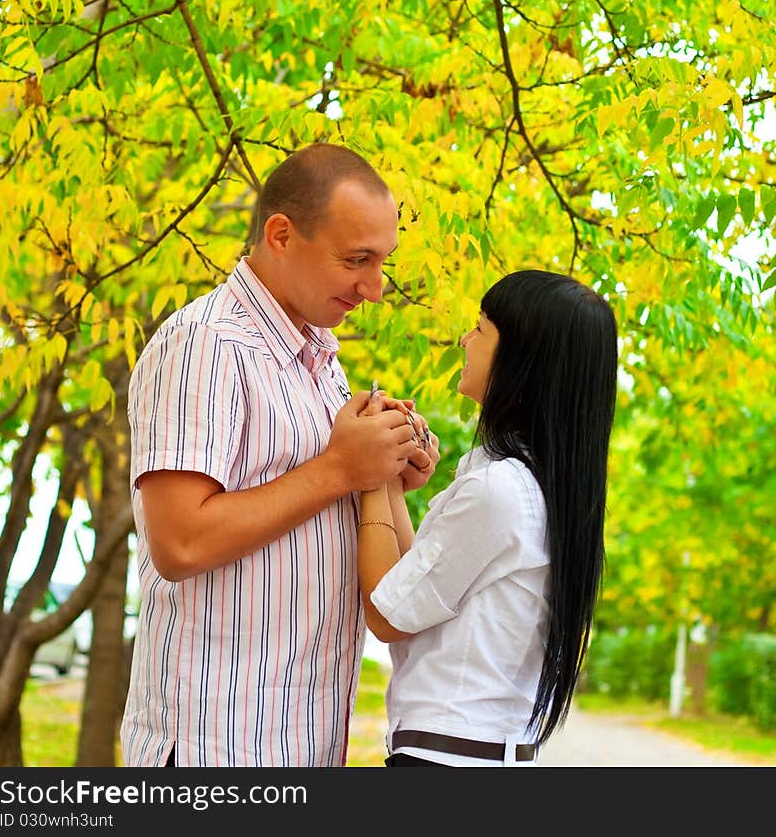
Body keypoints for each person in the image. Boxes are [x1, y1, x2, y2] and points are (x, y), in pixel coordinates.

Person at [120, 141, 440, 767]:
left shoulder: (321, 358)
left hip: (302, 741)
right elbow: (179, 543)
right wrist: (340, 469)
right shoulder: (204, 346)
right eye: (356, 260)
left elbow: (316, 501)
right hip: (218, 746)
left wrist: (386, 468)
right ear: (281, 235)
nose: (374, 289)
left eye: (383, 262)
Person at [357, 268, 618, 767]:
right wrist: (388, 477)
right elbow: (414, 589)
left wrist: (367, 475)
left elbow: (386, 616)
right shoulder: (530, 484)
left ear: (522, 360)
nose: (464, 338)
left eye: (479, 328)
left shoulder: (498, 489)